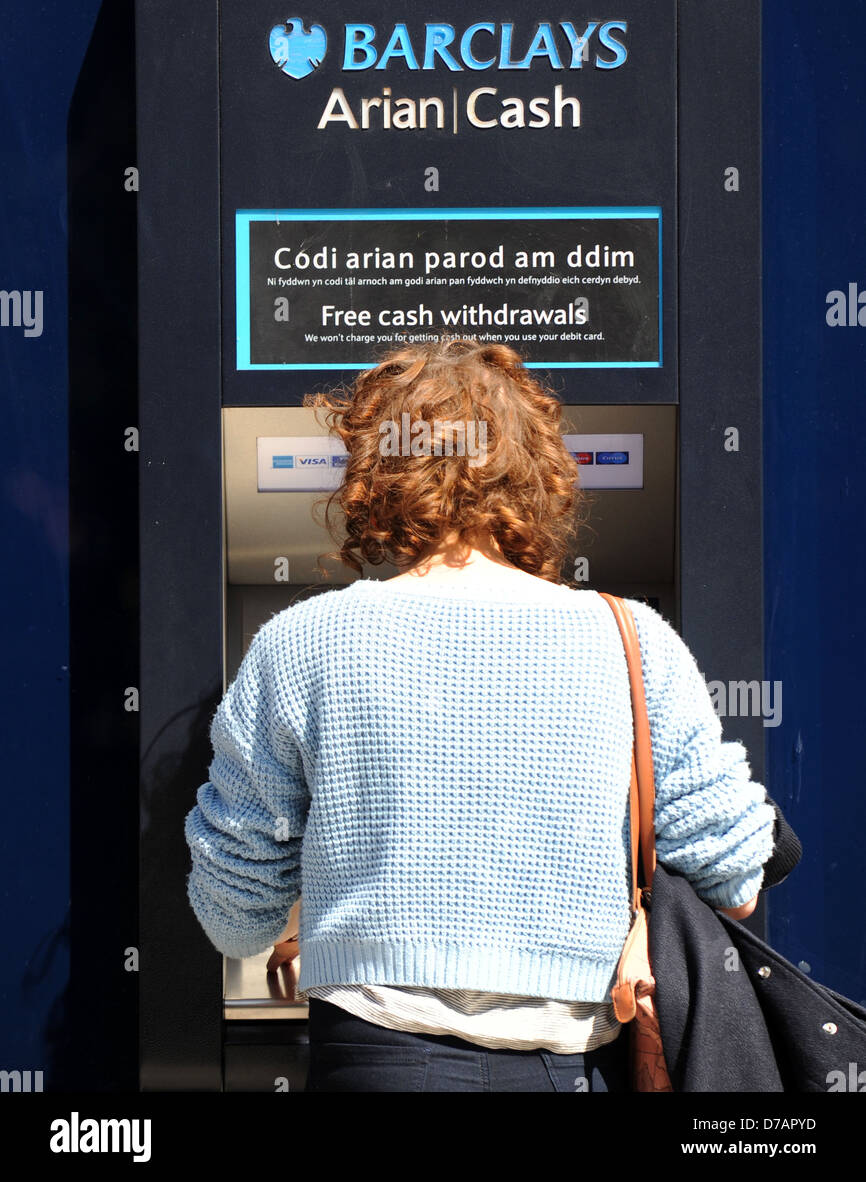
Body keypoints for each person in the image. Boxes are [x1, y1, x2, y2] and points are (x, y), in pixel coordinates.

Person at [184, 337, 777, 1092]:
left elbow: (233, 919)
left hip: (376, 1061)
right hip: (575, 1066)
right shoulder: (633, 639)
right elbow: (738, 880)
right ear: (538, 471)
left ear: (374, 470)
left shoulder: (301, 641)